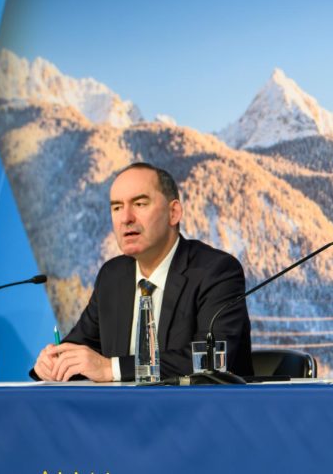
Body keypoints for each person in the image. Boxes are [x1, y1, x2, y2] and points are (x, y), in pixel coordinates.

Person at [32, 163, 253, 381]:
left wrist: (111, 368)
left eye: (139, 204)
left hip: (198, 405)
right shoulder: (112, 276)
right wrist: (53, 363)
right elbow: (79, 349)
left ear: (173, 212)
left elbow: (210, 362)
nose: (126, 218)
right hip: (119, 405)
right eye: (117, 207)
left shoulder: (216, 271)